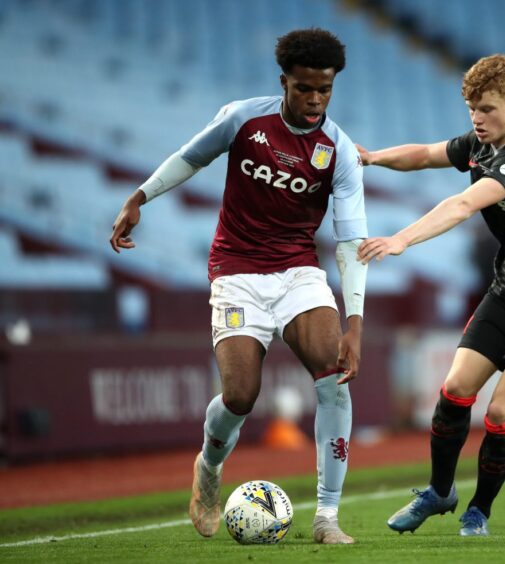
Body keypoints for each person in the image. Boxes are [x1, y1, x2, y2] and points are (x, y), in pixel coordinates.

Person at [109, 28, 368, 545]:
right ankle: (208, 467)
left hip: (298, 270)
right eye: (304, 89)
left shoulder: (338, 150)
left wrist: (355, 322)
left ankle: (326, 517)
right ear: (284, 83)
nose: (315, 99)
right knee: (241, 395)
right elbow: (191, 155)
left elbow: (350, 240)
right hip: (236, 271)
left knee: (333, 377)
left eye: (325, 89)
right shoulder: (244, 118)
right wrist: (140, 196)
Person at [357, 54, 505, 537]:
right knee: (455, 389)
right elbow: (426, 154)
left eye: (486, 109)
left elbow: (465, 203)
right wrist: (374, 157)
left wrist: (402, 238)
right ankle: (440, 493)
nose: (477, 119)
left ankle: (479, 512)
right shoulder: (482, 144)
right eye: (471, 110)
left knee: (502, 410)